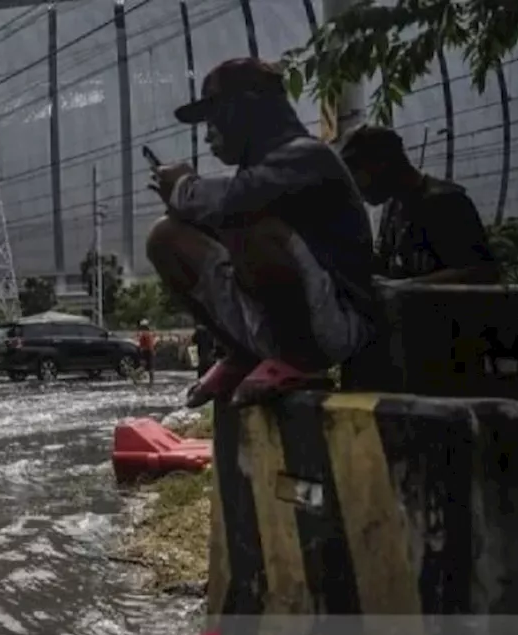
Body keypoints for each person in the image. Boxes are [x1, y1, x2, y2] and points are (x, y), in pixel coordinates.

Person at [144, 57, 379, 407]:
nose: (208, 133)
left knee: (249, 222)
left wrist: (184, 190)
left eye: (215, 117)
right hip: (275, 320)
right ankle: (242, 354)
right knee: (165, 238)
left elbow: (240, 199)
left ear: (246, 110)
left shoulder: (306, 156)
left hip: (334, 322)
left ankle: (302, 361)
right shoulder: (259, 171)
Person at [337, 124, 502, 285]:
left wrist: (407, 286)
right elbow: (387, 266)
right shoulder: (393, 206)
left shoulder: (446, 203)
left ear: (380, 164)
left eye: (356, 173)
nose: (355, 186)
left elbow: (479, 271)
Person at [137, 319, 157, 384]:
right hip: (149, 351)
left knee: (144, 366)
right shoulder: (147, 333)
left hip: (146, 351)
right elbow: (150, 343)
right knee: (150, 368)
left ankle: (136, 377)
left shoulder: (143, 333)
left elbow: (142, 344)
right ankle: (151, 382)